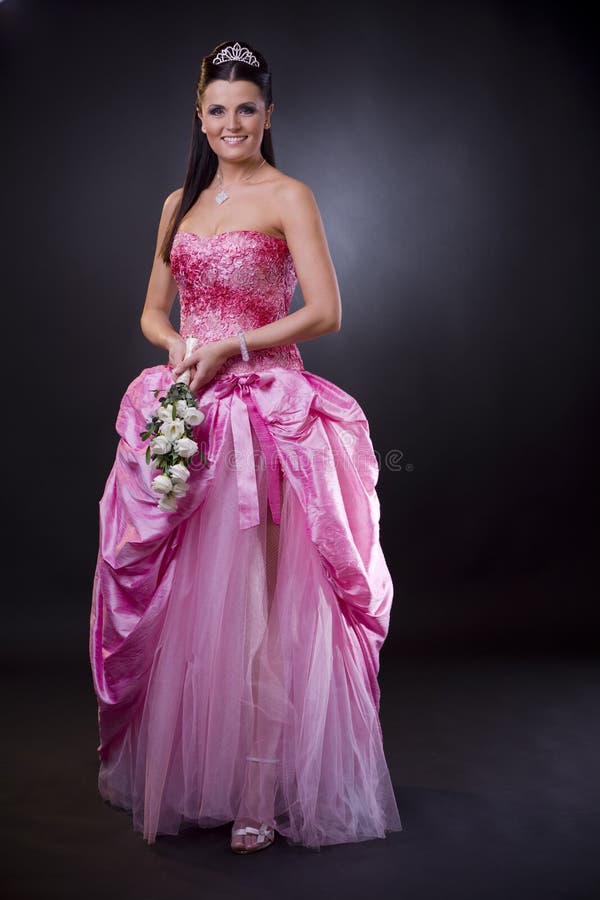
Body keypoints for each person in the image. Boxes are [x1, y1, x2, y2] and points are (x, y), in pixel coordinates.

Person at [89, 38, 402, 854]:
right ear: (200, 117)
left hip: (266, 413)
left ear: (269, 115)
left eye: (247, 110)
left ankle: (261, 791)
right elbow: (155, 310)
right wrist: (177, 347)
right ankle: (208, 777)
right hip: (193, 407)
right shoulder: (177, 205)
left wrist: (234, 346)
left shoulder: (289, 195)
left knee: (261, 601)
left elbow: (326, 311)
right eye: (218, 111)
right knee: (193, 598)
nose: (232, 124)